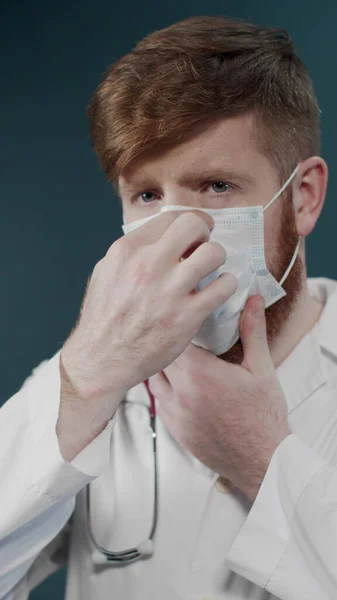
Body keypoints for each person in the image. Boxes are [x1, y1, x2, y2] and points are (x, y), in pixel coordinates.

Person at [1, 15, 336, 600]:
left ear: (303, 197)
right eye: (147, 195)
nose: (176, 234)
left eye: (216, 186)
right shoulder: (95, 379)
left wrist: (265, 464)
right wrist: (84, 384)